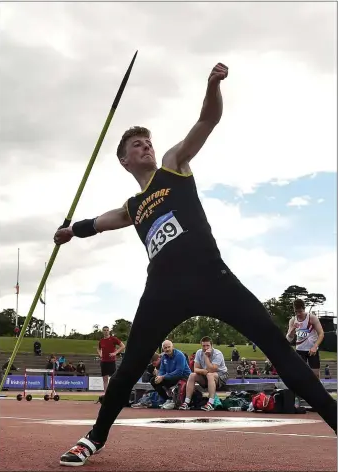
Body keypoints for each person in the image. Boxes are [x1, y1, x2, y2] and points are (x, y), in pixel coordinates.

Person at [54, 62, 336, 466]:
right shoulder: (133, 207)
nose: (146, 146)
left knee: (278, 347)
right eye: (137, 145)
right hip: (163, 290)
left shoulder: (173, 165)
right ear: (124, 161)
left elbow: (208, 119)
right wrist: (70, 232)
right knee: (130, 366)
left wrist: (212, 86)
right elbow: (98, 223)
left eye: (147, 140)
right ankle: (94, 437)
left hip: (212, 277)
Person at [179, 336, 227, 411]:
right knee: (192, 375)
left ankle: (210, 403)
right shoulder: (199, 352)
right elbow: (195, 369)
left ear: (212, 346)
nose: (205, 348)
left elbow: (211, 369)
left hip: (221, 375)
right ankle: (186, 402)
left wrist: (206, 357)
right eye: (204, 346)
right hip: (206, 375)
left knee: (210, 375)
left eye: (208, 345)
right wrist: (203, 371)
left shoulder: (218, 354)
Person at [286, 299, 324, 378]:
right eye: (296, 312)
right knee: (300, 373)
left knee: (315, 374)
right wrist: (293, 328)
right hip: (300, 349)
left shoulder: (312, 318)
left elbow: (321, 334)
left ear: (304, 309)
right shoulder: (293, 320)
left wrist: (315, 346)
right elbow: (289, 339)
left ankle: (316, 389)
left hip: (312, 350)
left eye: (300, 311)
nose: (298, 314)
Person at [150, 340, 191, 410]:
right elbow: (162, 370)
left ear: (172, 347)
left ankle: (173, 400)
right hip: (171, 376)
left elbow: (179, 372)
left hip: (184, 377)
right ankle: (168, 399)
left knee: (163, 379)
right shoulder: (164, 357)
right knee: (153, 381)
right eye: (165, 348)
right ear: (163, 349)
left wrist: (163, 377)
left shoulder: (180, 355)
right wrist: (159, 377)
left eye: (169, 347)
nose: (167, 349)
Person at [97, 326, 125, 393]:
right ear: (102, 331)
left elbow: (123, 346)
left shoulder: (113, 339)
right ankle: (106, 394)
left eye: (107, 330)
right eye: (104, 330)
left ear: (109, 331)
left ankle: (113, 393)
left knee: (113, 379)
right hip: (104, 362)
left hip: (111, 362)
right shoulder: (101, 341)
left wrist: (115, 352)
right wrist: (100, 354)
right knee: (105, 380)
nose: (106, 331)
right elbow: (98, 348)